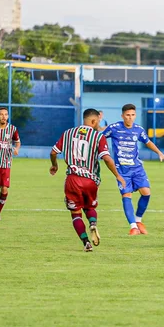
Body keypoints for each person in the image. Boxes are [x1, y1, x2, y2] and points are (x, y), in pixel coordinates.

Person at [50, 108, 126, 252]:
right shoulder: (98, 137)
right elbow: (107, 158)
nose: (99, 124)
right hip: (90, 180)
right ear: (93, 121)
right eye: (99, 121)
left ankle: (86, 243)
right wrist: (117, 175)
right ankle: (92, 222)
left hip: (72, 179)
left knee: (75, 213)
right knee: (89, 207)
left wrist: (54, 165)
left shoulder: (68, 133)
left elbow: (53, 152)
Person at [102, 104, 164, 236]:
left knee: (146, 193)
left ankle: (138, 220)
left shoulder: (138, 129)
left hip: (137, 168)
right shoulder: (114, 128)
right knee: (126, 195)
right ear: (122, 116)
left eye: (133, 115)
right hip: (122, 169)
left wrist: (159, 153)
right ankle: (133, 227)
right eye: (128, 115)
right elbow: (100, 138)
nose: (130, 118)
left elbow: (147, 142)